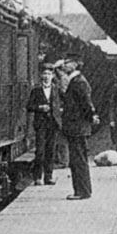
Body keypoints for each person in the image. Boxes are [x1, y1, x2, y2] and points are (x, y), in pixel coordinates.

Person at [56, 57, 96, 200]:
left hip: (77, 127)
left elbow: (86, 104)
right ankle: (82, 190)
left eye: (67, 63)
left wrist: (91, 117)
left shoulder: (79, 82)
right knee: (78, 159)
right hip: (77, 127)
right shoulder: (76, 81)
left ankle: (82, 192)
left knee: (78, 160)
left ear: (74, 65)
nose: (64, 65)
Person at [26, 67, 61, 185]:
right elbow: (29, 106)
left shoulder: (56, 89)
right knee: (40, 151)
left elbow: (64, 101)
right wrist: (39, 108)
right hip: (41, 123)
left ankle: (49, 177)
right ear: (41, 76)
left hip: (53, 123)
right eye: (44, 73)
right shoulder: (36, 90)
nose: (46, 76)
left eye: (49, 74)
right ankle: (37, 177)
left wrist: (60, 111)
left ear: (53, 76)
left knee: (51, 150)